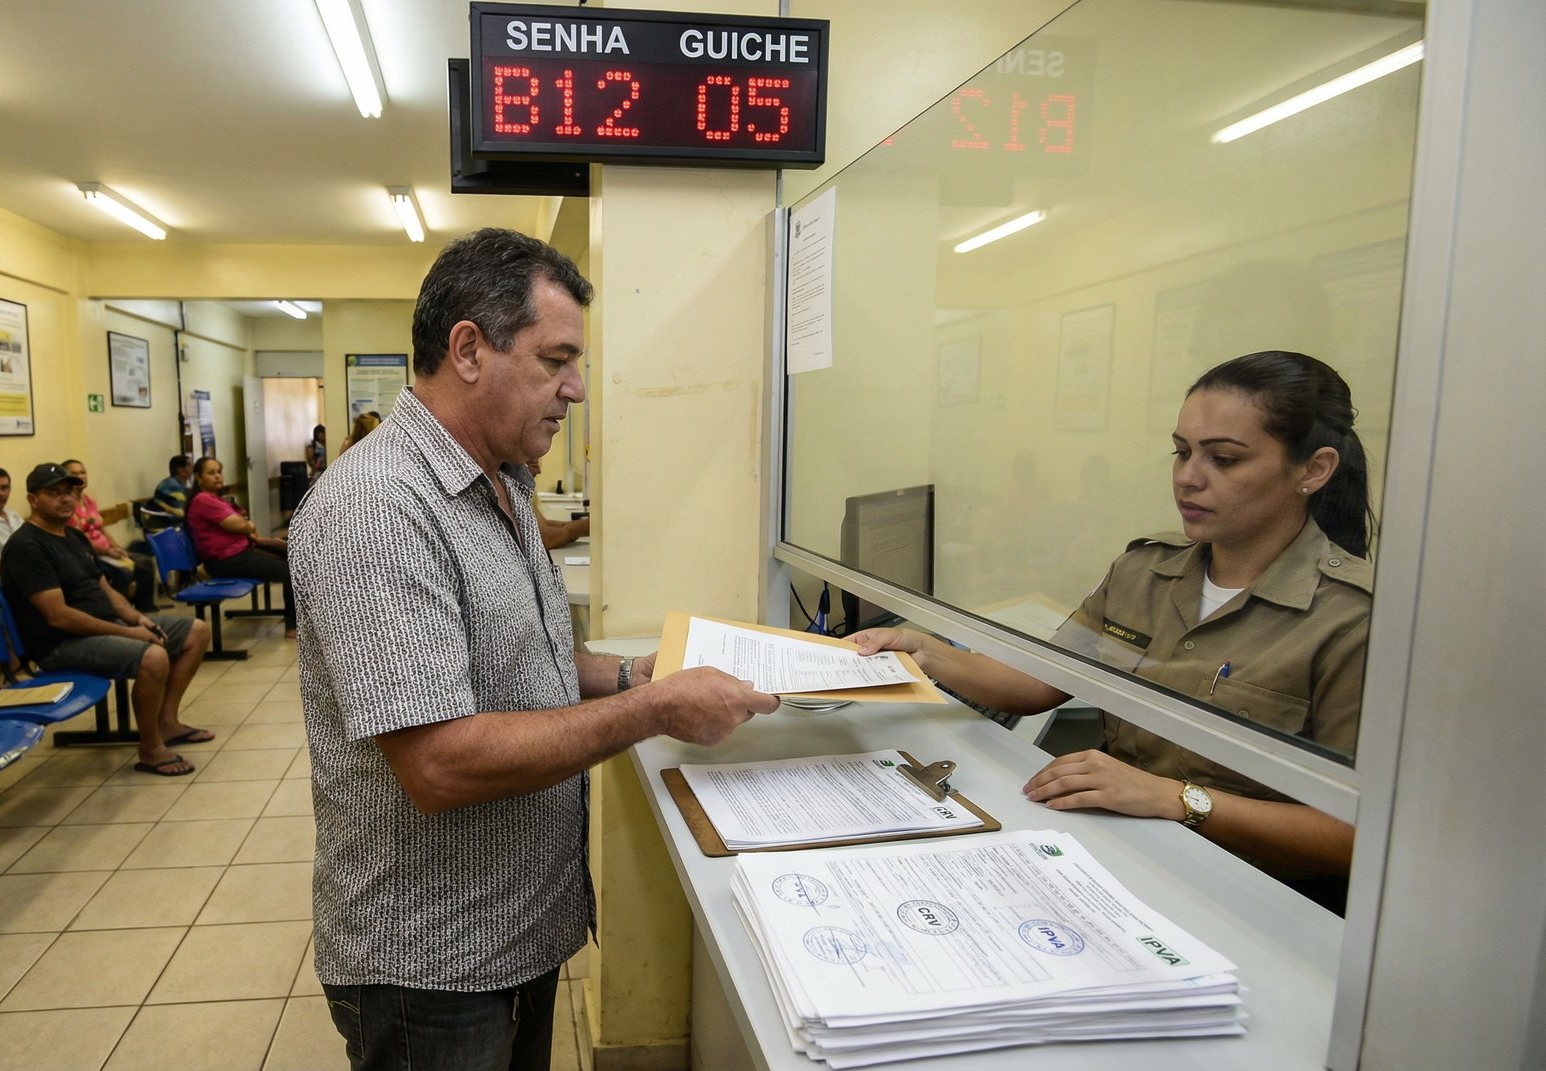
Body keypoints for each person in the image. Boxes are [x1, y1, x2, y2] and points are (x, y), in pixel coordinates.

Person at [291, 228, 779, 1070]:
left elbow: (520, 657)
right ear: (470, 349)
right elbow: (440, 762)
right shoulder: (377, 509)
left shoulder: (503, 478)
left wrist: (627, 673)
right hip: (433, 967)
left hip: (516, 930)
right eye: (557, 359)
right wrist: (652, 707)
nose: (576, 388)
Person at [854, 350, 1372, 901]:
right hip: (1110, 850)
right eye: (1181, 453)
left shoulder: (1351, 620)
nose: (1188, 479)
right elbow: (1038, 683)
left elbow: (1358, 838)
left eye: (1224, 459)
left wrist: (1179, 799)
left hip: (1245, 892)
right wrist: (922, 649)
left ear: (1313, 470)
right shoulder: (1144, 571)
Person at [2, 462, 215, 776]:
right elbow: (59, 617)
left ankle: (167, 723)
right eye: (53, 493)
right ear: (33, 499)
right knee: (153, 656)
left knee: (196, 631)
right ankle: (151, 747)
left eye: (70, 492)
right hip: (60, 644)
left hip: (102, 628)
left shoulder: (73, 537)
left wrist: (137, 619)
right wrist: (132, 636)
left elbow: (104, 589)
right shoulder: (27, 546)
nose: (65, 499)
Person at [184, 456, 297, 638]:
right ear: (198, 478)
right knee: (290, 571)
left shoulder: (215, 499)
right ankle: (293, 626)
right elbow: (240, 525)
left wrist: (251, 530)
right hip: (225, 561)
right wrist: (247, 525)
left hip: (238, 552)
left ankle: (297, 619)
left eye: (219, 472)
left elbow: (241, 525)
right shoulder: (203, 500)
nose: (217, 476)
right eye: (211, 473)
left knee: (291, 556)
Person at [60, 458, 161, 612]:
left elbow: (101, 529)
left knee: (145, 563)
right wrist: (108, 552)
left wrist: (117, 548)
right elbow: (81, 540)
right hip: (91, 555)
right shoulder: (66, 505)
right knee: (123, 573)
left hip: (106, 550)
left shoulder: (88, 500)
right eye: (75, 473)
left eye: (83, 472)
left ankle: (145, 610)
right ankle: (117, 613)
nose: (81, 476)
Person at [528, 459, 588, 550]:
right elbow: (545, 538)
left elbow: (543, 524)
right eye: (534, 466)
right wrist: (580, 529)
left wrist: (578, 525)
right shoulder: (514, 488)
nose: (539, 472)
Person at [151, 454, 192, 520]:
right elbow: (183, 512)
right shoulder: (172, 486)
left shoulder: (174, 483)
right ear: (180, 470)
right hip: (167, 524)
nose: (192, 467)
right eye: (190, 465)